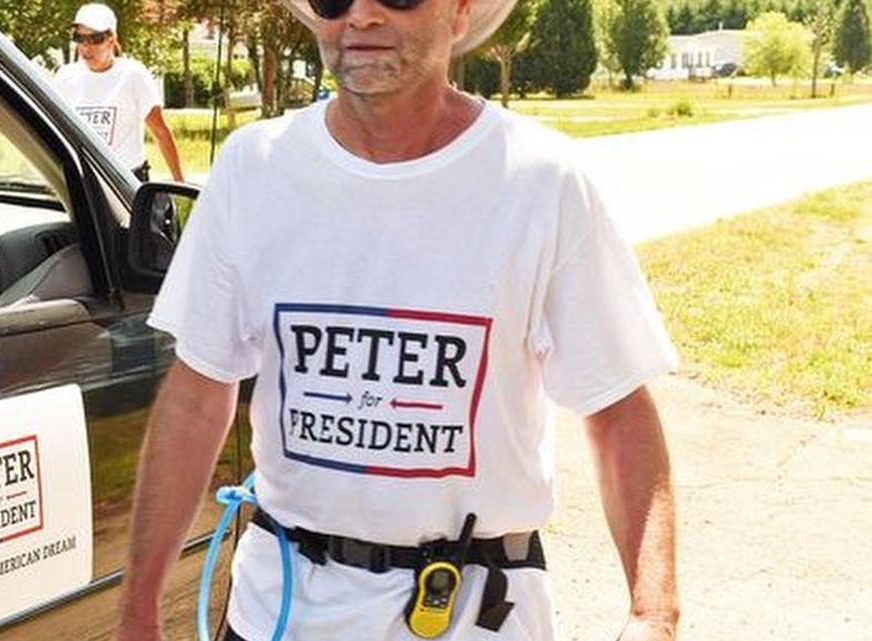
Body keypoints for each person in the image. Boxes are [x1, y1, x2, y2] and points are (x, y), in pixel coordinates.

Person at [118, 0, 680, 639]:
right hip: (278, 612)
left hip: (474, 615)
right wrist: (140, 606)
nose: (360, 16)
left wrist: (653, 612)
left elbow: (617, 409)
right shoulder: (254, 170)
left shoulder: (541, 182)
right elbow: (196, 396)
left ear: (461, 13)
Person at [53, 3, 184, 182]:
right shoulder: (65, 77)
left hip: (127, 181)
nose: (86, 46)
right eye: (79, 38)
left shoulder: (134, 75)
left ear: (112, 39)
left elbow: (160, 132)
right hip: (84, 181)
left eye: (95, 38)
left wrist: (180, 183)